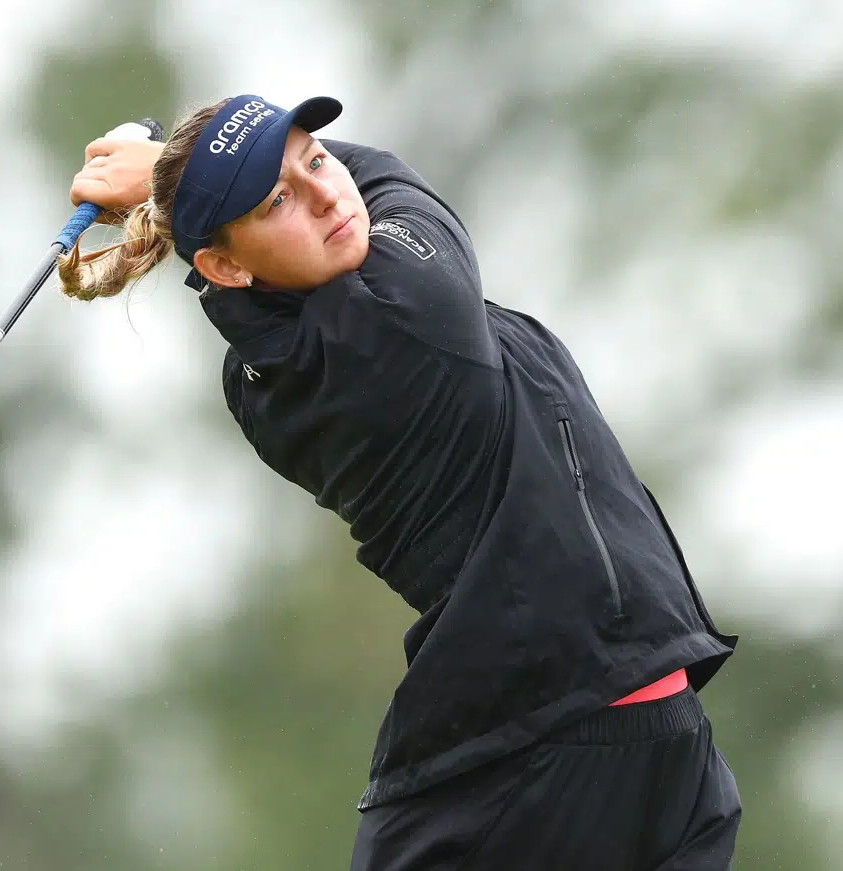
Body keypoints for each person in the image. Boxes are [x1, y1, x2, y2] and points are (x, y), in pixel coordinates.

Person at [62, 94, 742, 869]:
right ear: (225, 264)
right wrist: (169, 176)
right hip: (545, 741)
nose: (324, 192)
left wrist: (192, 187)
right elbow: (385, 177)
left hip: (621, 722)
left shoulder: (255, 376)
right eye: (279, 198)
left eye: (314, 159)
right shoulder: (410, 311)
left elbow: (335, 200)